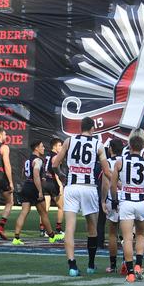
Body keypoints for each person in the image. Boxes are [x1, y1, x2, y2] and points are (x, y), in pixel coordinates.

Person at [52, 116, 112, 277]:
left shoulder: (69, 141)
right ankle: (91, 264)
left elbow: (54, 164)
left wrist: (62, 175)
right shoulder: (98, 144)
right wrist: (118, 183)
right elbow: (106, 172)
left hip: (71, 187)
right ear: (92, 128)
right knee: (92, 227)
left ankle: (72, 265)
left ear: (81, 128)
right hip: (89, 188)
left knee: (69, 228)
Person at [111, 134, 144, 283]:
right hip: (141, 202)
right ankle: (138, 265)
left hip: (126, 202)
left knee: (127, 239)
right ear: (142, 147)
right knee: (141, 236)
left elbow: (113, 184)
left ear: (129, 146)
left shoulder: (120, 162)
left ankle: (130, 273)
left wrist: (114, 201)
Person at [13, 139, 52, 245]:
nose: (43, 148)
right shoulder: (38, 160)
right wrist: (39, 191)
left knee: (24, 212)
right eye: (42, 146)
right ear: (36, 148)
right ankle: (52, 236)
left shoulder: (28, 160)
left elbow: (23, 173)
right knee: (43, 213)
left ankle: (16, 237)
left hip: (26, 185)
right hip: (34, 187)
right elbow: (35, 175)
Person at [101, 137, 124, 274]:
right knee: (127, 233)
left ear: (110, 149)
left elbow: (105, 184)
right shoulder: (126, 161)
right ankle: (130, 262)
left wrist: (103, 200)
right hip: (127, 198)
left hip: (113, 197)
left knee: (112, 233)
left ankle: (113, 265)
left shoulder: (108, 163)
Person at [42, 137, 65, 241]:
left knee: (45, 208)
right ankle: (58, 229)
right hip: (52, 182)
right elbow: (56, 172)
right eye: (60, 145)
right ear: (55, 146)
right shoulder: (56, 157)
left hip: (45, 182)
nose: (61, 147)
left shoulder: (46, 155)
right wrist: (60, 185)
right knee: (61, 206)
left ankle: (43, 230)